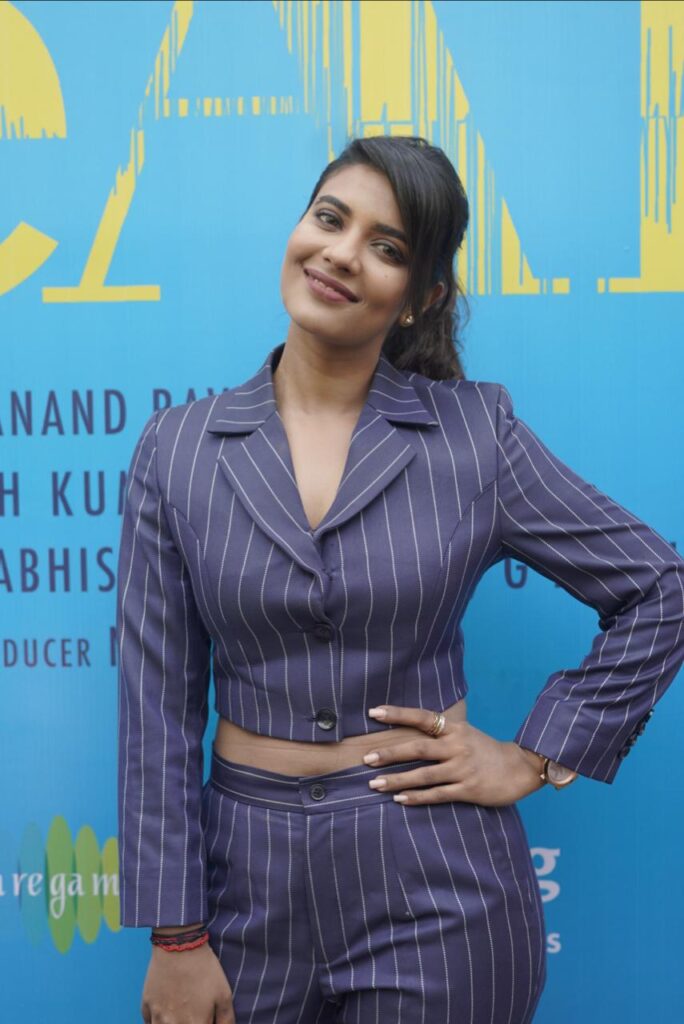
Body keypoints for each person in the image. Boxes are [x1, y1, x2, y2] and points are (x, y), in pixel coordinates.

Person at [116, 134, 684, 1024]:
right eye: (329, 218)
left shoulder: (476, 435)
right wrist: (176, 935)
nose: (341, 253)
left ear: (422, 297)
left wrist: (536, 754)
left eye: (386, 247)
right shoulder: (177, 449)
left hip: (439, 887)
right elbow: (155, 708)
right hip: (241, 888)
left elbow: (658, 588)